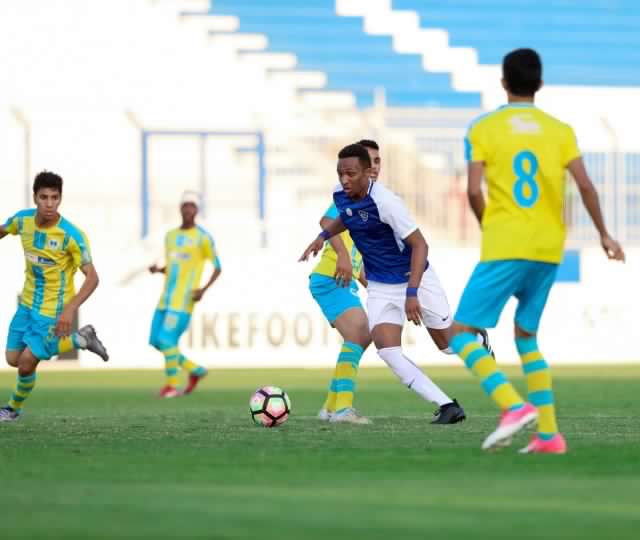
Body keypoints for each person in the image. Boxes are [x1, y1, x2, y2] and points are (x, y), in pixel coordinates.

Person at [450, 48, 625, 453]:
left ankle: (512, 405)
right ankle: (549, 435)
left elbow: (474, 189)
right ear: (540, 84)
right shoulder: (559, 130)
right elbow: (584, 185)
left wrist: (488, 225)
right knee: (526, 336)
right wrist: (604, 235)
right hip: (548, 247)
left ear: (503, 83)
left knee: (459, 332)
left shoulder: (484, 128)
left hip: (506, 242)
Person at [301, 144, 466, 423]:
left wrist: (411, 293)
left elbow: (420, 245)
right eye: (340, 173)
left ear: (368, 170)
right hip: (379, 283)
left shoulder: (387, 201)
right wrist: (323, 236)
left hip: (413, 278)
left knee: (447, 345)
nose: (344, 179)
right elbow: (342, 217)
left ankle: (474, 334)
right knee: (387, 350)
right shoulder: (345, 196)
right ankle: (447, 405)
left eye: (351, 173)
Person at [0, 171, 108, 422]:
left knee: (27, 362)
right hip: (27, 304)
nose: (49, 204)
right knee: (13, 359)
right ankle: (82, 340)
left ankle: (12, 409)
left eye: (55, 198)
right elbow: (4, 229)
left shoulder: (71, 235)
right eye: (44, 197)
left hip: (53, 310)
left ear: (60, 199)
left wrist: (69, 310)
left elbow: (92, 278)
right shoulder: (23, 221)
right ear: (35, 197)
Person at [309, 140, 382, 425]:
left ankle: (331, 406)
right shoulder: (346, 195)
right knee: (361, 333)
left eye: (378, 161)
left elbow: (358, 258)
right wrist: (340, 254)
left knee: (361, 337)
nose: (374, 167)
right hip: (330, 277)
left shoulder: (370, 202)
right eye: (370, 161)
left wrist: (373, 286)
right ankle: (341, 410)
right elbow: (326, 221)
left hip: (343, 279)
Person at [149, 191, 221, 398]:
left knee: (166, 340)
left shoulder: (203, 238)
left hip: (184, 300)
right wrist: (159, 270)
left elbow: (218, 267)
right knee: (156, 340)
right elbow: (174, 266)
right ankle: (196, 370)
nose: (188, 209)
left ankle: (171, 386)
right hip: (165, 298)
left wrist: (203, 290)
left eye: (192, 206)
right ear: (180, 208)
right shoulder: (170, 236)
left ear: (197, 210)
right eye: (185, 205)